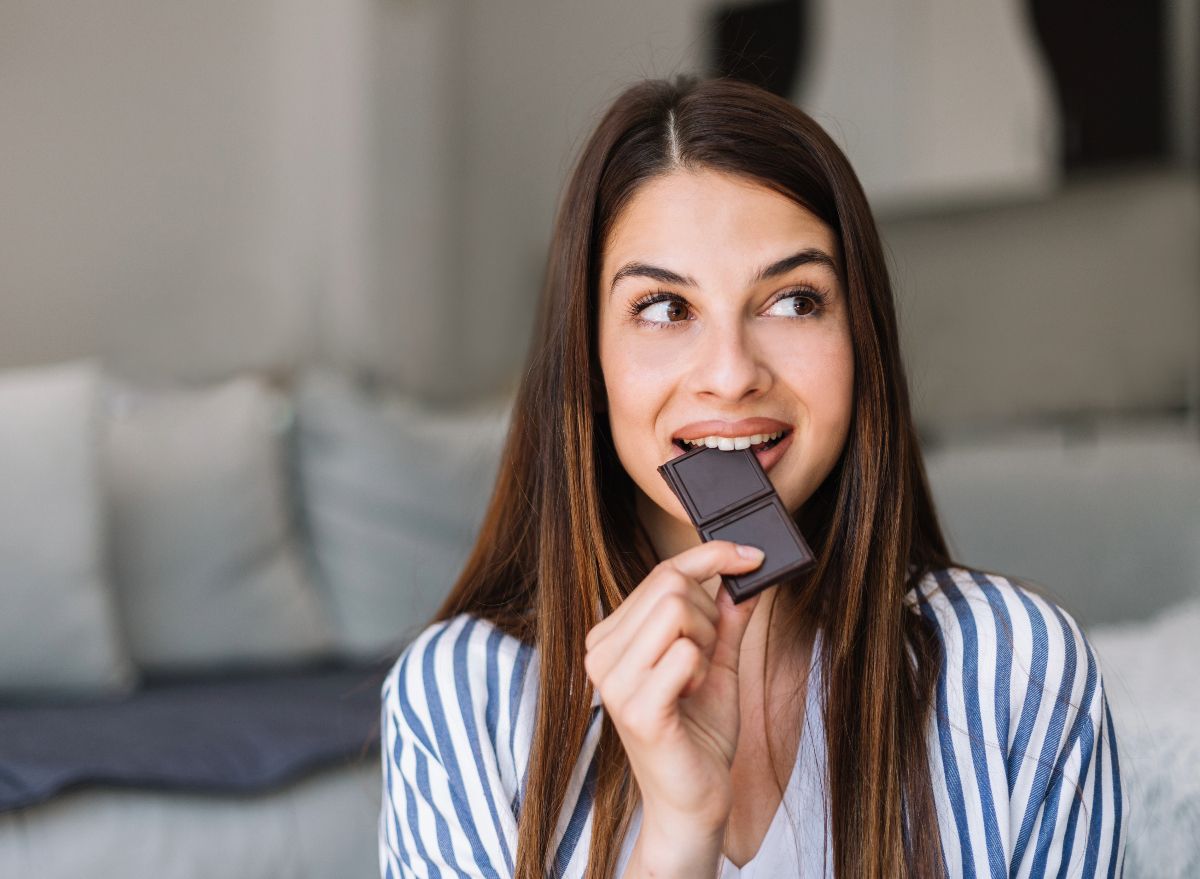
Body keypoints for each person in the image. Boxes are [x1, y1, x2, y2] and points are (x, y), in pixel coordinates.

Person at [378, 77, 1125, 879]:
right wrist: (675, 838)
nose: (731, 374)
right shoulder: (459, 701)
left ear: (862, 338)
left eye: (795, 300)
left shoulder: (1024, 671)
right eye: (665, 307)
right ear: (587, 361)